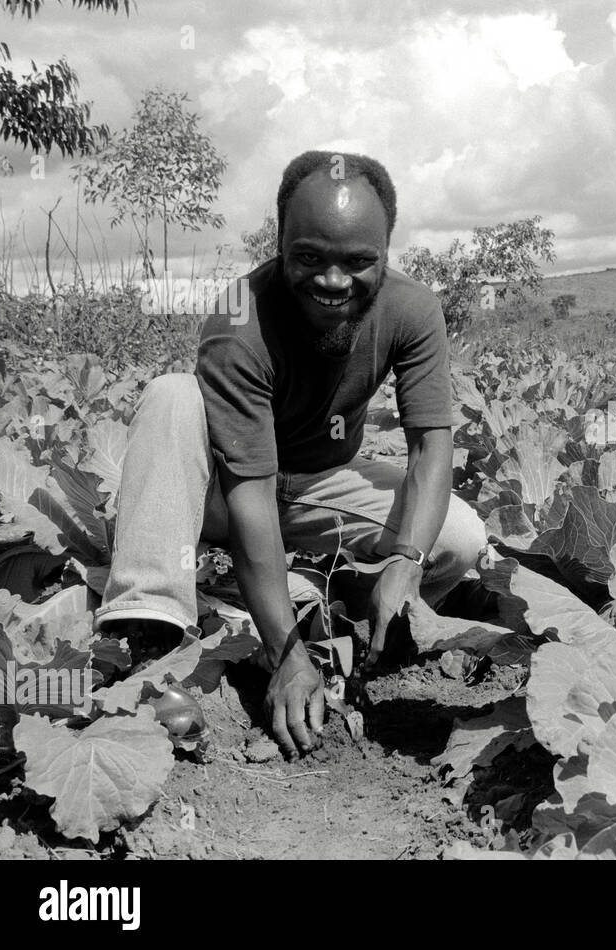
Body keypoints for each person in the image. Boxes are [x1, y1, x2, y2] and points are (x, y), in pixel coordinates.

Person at [96, 150, 486, 758]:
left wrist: (406, 562)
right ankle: (150, 631)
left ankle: (363, 615)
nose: (334, 281)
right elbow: (250, 495)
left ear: (386, 249)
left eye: (359, 262)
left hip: (320, 484)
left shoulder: (413, 310)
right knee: (171, 396)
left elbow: (430, 443)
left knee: (458, 536)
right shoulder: (239, 318)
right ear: (279, 243)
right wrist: (287, 658)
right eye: (309, 257)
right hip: (224, 492)